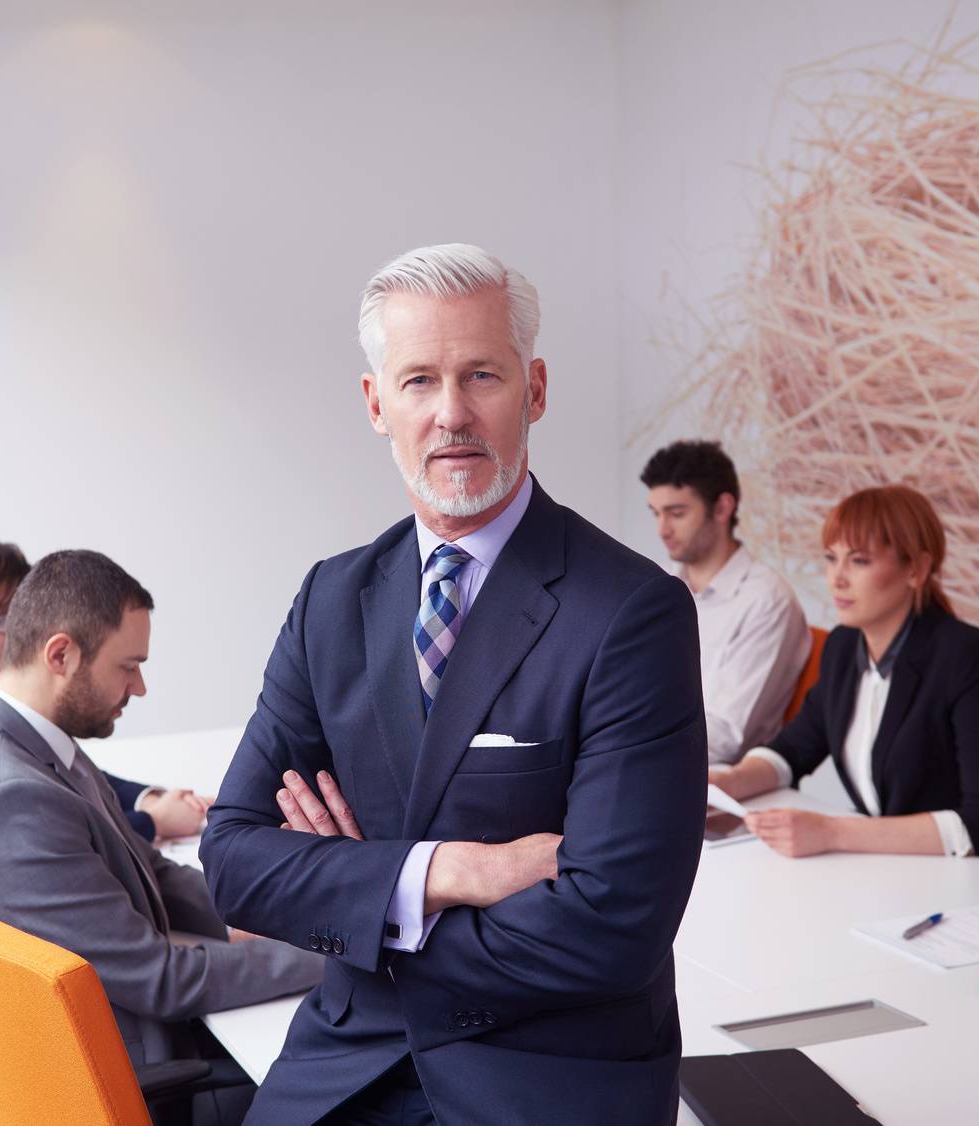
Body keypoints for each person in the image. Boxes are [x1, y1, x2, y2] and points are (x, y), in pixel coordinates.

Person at [198, 244, 706, 1125]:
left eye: (482, 375)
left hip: (544, 1071)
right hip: (347, 1059)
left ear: (535, 390)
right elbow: (236, 861)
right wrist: (452, 871)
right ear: (375, 404)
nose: (451, 415)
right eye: (418, 381)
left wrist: (358, 894)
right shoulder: (330, 599)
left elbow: (612, 928)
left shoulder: (632, 612)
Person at [0, 550, 323, 1118]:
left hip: (108, 1033)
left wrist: (266, 910)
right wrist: (329, 956)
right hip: (115, 1073)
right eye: (127, 665)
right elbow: (160, 978)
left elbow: (146, 864)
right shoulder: (15, 799)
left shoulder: (13, 737)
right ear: (60, 653)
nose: (139, 688)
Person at [710, 485, 979, 866]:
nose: (836, 579)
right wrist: (729, 782)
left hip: (967, 874)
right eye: (831, 559)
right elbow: (793, 750)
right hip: (888, 869)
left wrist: (833, 832)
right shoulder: (844, 647)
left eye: (859, 561)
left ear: (916, 569)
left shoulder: (966, 656)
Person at [0, 533, 207, 841]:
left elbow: (71, 774)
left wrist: (147, 799)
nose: (23, 630)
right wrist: (152, 822)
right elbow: (19, 829)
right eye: (3, 618)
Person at [641, 439, 811, 764]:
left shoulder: (766, 600)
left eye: (677, 513)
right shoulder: (660, 587)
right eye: (656, 513)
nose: (662, 529)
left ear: (722, 508)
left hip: (716, 781)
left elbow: (726, 737)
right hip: (651, 761)